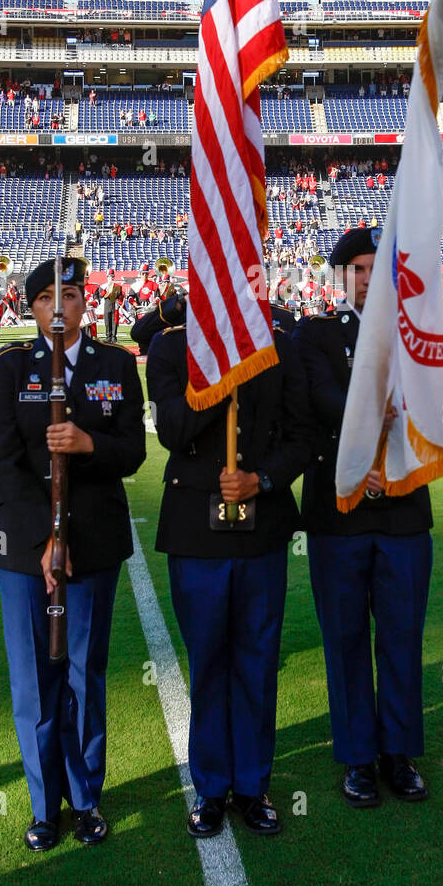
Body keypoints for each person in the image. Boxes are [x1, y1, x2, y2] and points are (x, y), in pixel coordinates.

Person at [0, 257, 146, 851]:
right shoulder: (10, 368)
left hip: (94, 545)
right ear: (32, 307)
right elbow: (3, 461)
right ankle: (44, 805)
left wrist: (87, 442)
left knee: (82, 675)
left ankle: (87, 798)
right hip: (26, 549)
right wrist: (46, 536)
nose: (59, 306)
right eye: (47, 296)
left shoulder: (117, 365)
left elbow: (131, 453)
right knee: (34, 681)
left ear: (85, 304)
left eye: (70, 295)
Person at [147, 304, 312, 839]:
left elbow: (301, 438)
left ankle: (252, 786)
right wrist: (222, 372)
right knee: (210, 661)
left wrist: (261, 480)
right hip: (196, 533)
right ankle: (211, 787)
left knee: (258, 662)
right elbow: (173, 429)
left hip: (261, 529)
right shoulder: (172, 347)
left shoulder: (279, 343)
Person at [293, 228, 434, 809]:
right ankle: (357, 756)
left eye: (380, 268)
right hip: (339, 513)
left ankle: (397, 754)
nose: (370, 278)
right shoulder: (316, 334)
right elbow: (317, 409)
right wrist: (359, 465)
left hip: (404, 512)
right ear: (341, 277)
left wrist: (395, 464)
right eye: (358, 268)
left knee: (401, 639)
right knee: (346, 639)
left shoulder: (417, 337)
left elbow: (427, 411)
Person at [101, 270, 123, 342]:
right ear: (107, 277)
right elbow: (101, 295)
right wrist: (106, 289)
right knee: (107, 321)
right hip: (107, 304)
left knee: (114, 321)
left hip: (114, 304)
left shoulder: (118, 286)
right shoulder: (103, 286)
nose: (111, 278)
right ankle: (108, 336)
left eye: (113, 276)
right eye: (110, 276)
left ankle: (114, 337)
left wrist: (120, 302)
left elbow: (119, 297)